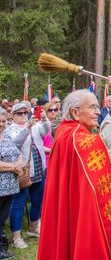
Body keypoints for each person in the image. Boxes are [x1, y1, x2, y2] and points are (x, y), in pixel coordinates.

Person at [37, 77, 111, 260]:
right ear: (75, 112)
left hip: (76, 204)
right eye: (92, 107)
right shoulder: (74, 137)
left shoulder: (67, 133)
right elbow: (105, 142)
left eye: (98, 107)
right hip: (81, 208)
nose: (98, 112)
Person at [6, 102, 51, 249]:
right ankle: (16, 236)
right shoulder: (10, 129)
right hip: (23, 172)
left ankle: (33, 227)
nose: (23, 116)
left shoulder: (34, 125)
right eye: (19, 113)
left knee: (37, 201)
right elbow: (16, 142)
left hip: (39, 168)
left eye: (25, 113)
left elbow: (46, 131)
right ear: (12, 115)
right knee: (18, 204)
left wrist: (44, 119)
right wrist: (27, 128)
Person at [0, 108, 22, 259]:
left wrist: (19, 164)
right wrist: (14, 167)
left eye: (3, 121)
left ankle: (2, 248)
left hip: (10, 187)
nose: (1, 124)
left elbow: (18, 153)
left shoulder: (6, 136)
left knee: (2, 219)